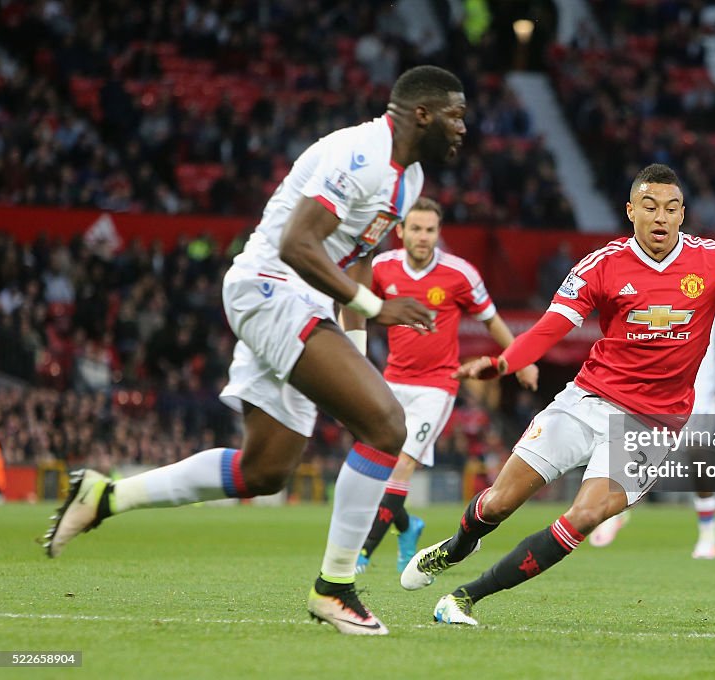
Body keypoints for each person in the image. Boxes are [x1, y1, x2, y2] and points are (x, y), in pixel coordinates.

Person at [43, 65, 467, 636]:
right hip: (272, 287)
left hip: (304, 303)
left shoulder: (408, 177)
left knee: (263, 471)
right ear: (423, 113)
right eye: (455, 114)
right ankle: (335, 587)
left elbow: (359, 251)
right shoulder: (361, 154)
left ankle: (105, 495)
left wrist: (359, 342)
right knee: (388, 426)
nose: (463, 127)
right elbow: (298, 243)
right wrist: (371, 306)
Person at [398, 163, 715, 625]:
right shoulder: (603, 264)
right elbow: (551, 328)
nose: (660, 217)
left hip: (650, 426)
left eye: (670, 208)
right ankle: (457, 547)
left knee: (583, 517)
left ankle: (464, 598)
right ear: (630, 211)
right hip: (587, 401)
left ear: (683, 214)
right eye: (649, 207)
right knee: (500, 501)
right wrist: (505, 363)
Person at [355, 197, 538, 574]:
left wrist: (522, 360)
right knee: (375, 473)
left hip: (437, 386)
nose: (423, 237)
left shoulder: (460, 274)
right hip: (391, 382)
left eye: (430, 230)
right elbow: (358, 310)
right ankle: (409, 526)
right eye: (416, 229)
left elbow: (491, 320)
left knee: (402, 466)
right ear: (401, 232)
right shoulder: (381, 268)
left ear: (439, 233)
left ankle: (361, 554)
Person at [587, 302, 715, 558]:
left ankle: (708, 533)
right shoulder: (650, 277)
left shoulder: (714, 274)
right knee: (638, 451)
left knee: (698, 457)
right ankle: (619, 510)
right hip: (653, 385)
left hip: (699, 387)